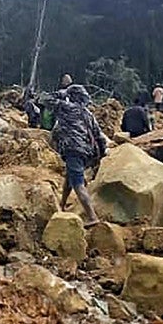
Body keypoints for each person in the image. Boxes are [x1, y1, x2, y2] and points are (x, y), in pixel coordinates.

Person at [52, 84, 106, 226]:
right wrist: (101, 154)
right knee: (69, 178)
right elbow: (99, 136)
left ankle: (92, 216)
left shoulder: (66, 108)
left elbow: (44, 99)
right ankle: (61, 205)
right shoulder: (88, 114)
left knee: (78, 184)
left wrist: (61, 94)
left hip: (73, 149)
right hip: (86, 152)